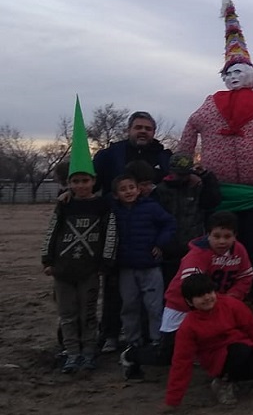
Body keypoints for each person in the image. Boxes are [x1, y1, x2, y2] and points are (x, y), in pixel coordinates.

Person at [178, 0, 253, 303]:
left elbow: (189, 130)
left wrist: (181, 164)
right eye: (229, 73)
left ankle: (238, 299)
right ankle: (243, 298)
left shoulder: (214, 106)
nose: (233, 77)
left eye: (236, 72)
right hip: (235, 194)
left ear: (246, 75)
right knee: (242, 250)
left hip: (237, 195)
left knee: (233, 249)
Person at [120, 211, 252, 381]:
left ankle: (222, 376)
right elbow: (192, 287)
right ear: (207, 234)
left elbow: (245, 276)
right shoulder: (196, 255)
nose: (222, 241)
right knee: (167, 355)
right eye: (216, 236)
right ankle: (131, 355)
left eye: (227, 236)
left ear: (235, 236)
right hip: (181, 305)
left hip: (215, 304)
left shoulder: (239, 251)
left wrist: (233, 297)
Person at [41, 97, 117, 373]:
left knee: (88, 313)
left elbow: (110, 233)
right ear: (68, 183)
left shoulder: (102, 205)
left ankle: (88, 352)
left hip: (89, 269)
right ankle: (71, 352)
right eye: (76, 181)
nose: (81, 185)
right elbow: (52, 231)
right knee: (67, 314)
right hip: (62, 268)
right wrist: (47, 259)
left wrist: (105, 261)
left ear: (94, 181)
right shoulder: (64, 205)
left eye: (85, 180)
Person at [164, 274, 253, 408]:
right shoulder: (188, 326)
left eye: (209, 292)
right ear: (190, 302)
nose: (207, 298)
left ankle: (232, 379)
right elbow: (181, 361)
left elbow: (251, 327)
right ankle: (223, 381)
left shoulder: (231, 304)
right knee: (239, 351)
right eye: (200, 295)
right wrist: (173, 400)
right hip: (214, 357)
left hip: (241, 346)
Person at [112, 173, 176, 357]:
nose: (128, 192)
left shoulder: (151, 207)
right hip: (126, 266)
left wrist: (160, 243)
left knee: (154, 306)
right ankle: (133, 341)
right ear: (116, 194)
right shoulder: (114, 210)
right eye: (123, 189)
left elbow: (169, 223)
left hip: (150, 265)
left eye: (131, 187)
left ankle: (157, 340)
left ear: (138, 189)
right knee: (129, 306)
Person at [156, 153, 222, 287]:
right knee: (170, 285)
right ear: (171, 171)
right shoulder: (160, 190)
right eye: (179, 174)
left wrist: (206, 177)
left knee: (194, 285)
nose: (183, 178)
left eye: (186, 174)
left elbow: (212, 201)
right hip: (170, 249)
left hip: (193, 246)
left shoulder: (197, 187)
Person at [92, 111, 173, 194]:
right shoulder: (108, 155)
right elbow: (90, 186)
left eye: (148, 129)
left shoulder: (166, 158)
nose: (143, 131)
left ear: (154, 132)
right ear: (128, 130)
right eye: (138, 127)